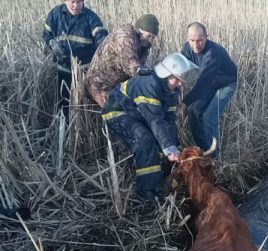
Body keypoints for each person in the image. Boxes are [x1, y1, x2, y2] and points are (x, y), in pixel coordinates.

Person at [100, 53, 199, 207]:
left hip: (139, 114)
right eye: (176, 79)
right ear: (166, 74)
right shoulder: (150, 85)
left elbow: (169, 121)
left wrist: (175, 147)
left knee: (166, 141)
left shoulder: (172, 92)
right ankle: (147, 191)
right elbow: (155, 121)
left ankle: (166, 177)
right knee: (145, 139)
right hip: (118, 111)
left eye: (180, 80)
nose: (179, 83)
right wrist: (168, 149)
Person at [180, 22, 237, 158]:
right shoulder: (187, 49)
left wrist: (184, 102)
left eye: (200, 40)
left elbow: (202, 84)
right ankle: (203, 151)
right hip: (210, 83)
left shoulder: (213, 53)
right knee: (193, 111)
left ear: (206, 38)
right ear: (188, 39)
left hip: (226, 83)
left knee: (209, 117)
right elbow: (179, 71)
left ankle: (215, 158)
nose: (195, 45)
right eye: (192, 40)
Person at [43, 0, 108, 115]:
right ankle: (64, 126)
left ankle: (86, 128)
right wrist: (52, 43)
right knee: (63, 103)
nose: (76, 6)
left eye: (79, 2)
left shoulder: (91, 17)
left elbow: (101, 36)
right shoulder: (55, 14)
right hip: (62, 69)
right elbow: (46, 33)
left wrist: (103, 43)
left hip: (84, 71)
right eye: (72, 2)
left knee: (85, 106)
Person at [85, 14, 160, 108]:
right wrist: (148, 77)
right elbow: (132, 65)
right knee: (114, 116)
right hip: (100, 85)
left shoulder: (143, 46)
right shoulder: (125, 35)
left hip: (115, 87)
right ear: (140, 30)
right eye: (149, 36)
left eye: (153, 37)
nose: (151, 40)